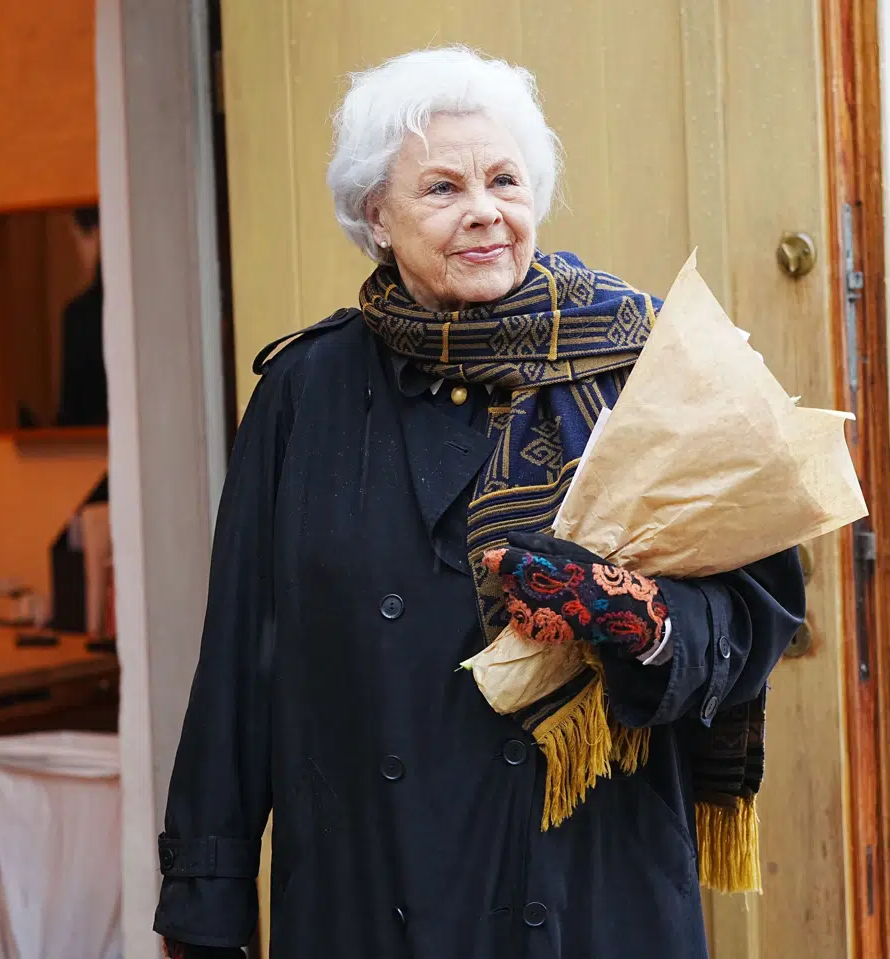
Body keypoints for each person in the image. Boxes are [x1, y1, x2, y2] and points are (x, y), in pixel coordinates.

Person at [154, 47, 805, 959]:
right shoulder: (306, 391)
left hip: (585, 880)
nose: (484, 211)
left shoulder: (644, 363)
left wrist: (643, 618)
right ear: (376, 216)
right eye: (443, 188)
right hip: (367, 888)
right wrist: (205, 891)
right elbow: (239, 658)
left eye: (504, 179)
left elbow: (761, 603)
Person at [55, 205, 107, 427]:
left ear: (95, 234)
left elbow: (74, 406)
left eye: (78, 240)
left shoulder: (79, 315)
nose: (78, 253)